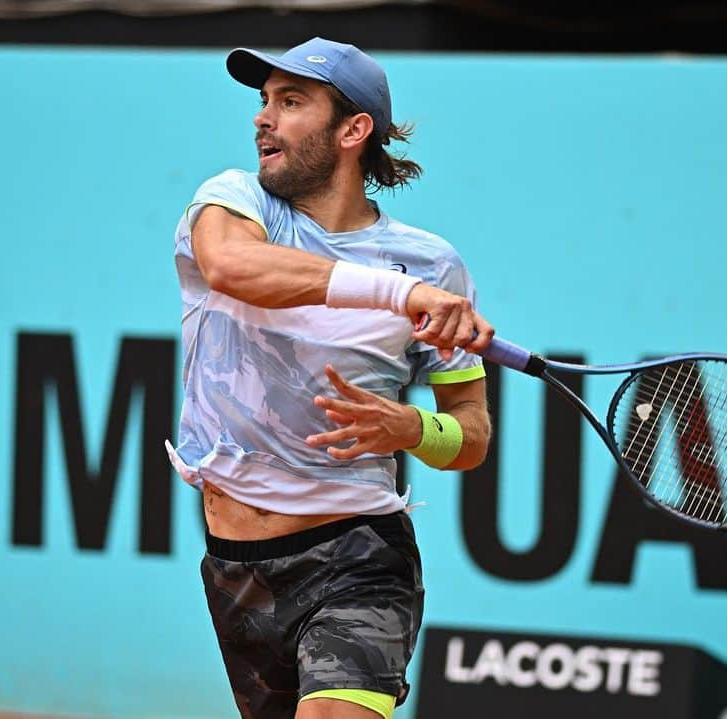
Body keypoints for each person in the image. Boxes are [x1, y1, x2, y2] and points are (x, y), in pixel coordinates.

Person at [166, 37, 495, 719]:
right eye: (263, 101)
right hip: (236, 569)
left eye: (291, 102)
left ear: (353, 130)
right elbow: (234, 269)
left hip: (358, 557)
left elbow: (470, 436)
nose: (264, 118)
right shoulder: (231, 203)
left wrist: (412, 427)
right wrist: (395, 296)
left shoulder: (432, 265)